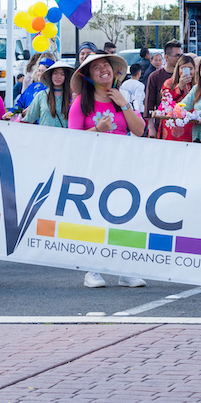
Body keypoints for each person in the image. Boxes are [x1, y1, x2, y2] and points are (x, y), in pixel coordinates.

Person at [68, 53, 147, 288]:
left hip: (122, 165)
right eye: (97, 67)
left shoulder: (121, 98)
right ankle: (92, 269)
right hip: (93, 167)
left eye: (106, 65)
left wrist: (124, 104)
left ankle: (125, 270)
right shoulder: (81, 103)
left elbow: (140, 130)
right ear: (88, 75)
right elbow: (71, 140)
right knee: (95, 217)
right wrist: (97, 130)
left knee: (123, 216)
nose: (104, 69)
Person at [152, 55, 197, 142]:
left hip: (190, 124)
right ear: (178, 69)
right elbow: (166, 102)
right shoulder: (169, 83)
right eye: (183, 68)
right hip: (172, 125)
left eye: (190, 68)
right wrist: (180, 87)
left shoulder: (196, 84)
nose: (187, 71)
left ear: (194, 70)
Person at [21, 60, 75, 129]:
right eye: (55, 73)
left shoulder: (72, 97)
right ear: (51, 75)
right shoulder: (41, 95)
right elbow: (29, 119)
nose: (58, 76)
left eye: (62, 74)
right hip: (44, 135)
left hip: (64, 135)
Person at [142, 40, 183, 118]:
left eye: (181, 56)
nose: (179, 58)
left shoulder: (184, 75)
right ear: (166, 56)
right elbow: (149, 103)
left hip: (182, 121)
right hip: (162, 120)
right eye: (177, 56)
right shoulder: (155, 76)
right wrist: (151, 124)